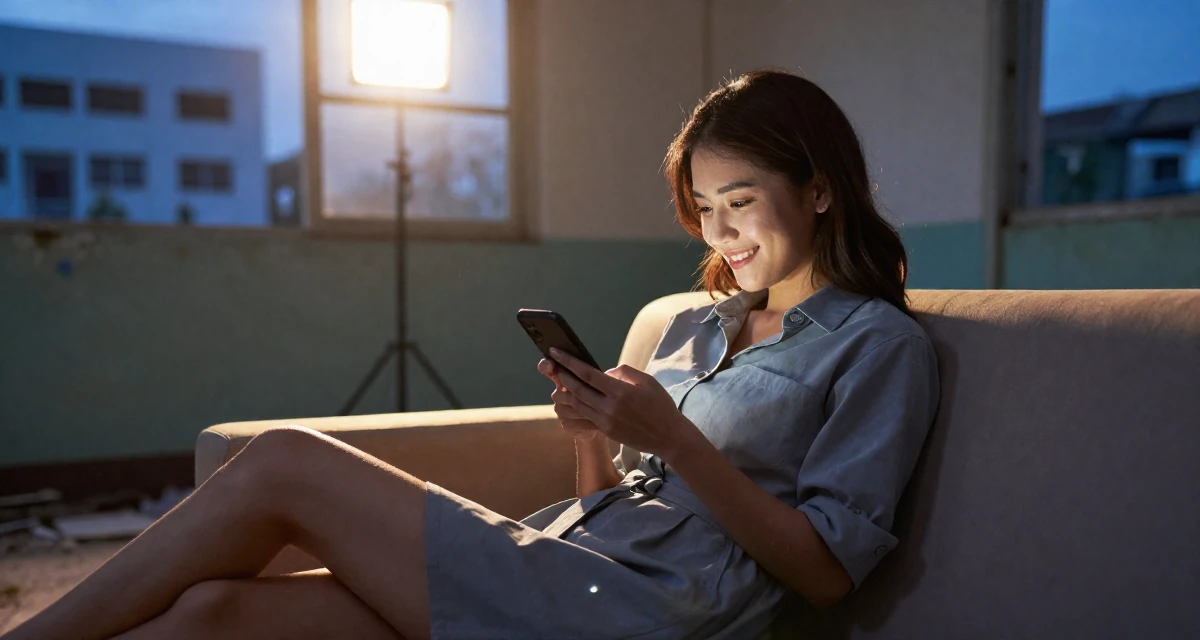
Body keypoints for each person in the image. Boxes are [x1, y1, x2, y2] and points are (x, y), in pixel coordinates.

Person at [2, 69, 939, 640]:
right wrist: (593, 437)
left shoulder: (879, 347)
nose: (721, 234)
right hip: (574, 558)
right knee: (218, 615)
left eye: (741, 202)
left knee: (286, 461)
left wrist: (678, 440)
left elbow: (825, 574)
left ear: (819, 190)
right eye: (703, 209)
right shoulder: (703, 323)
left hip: (657, 612)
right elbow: (617, 501)